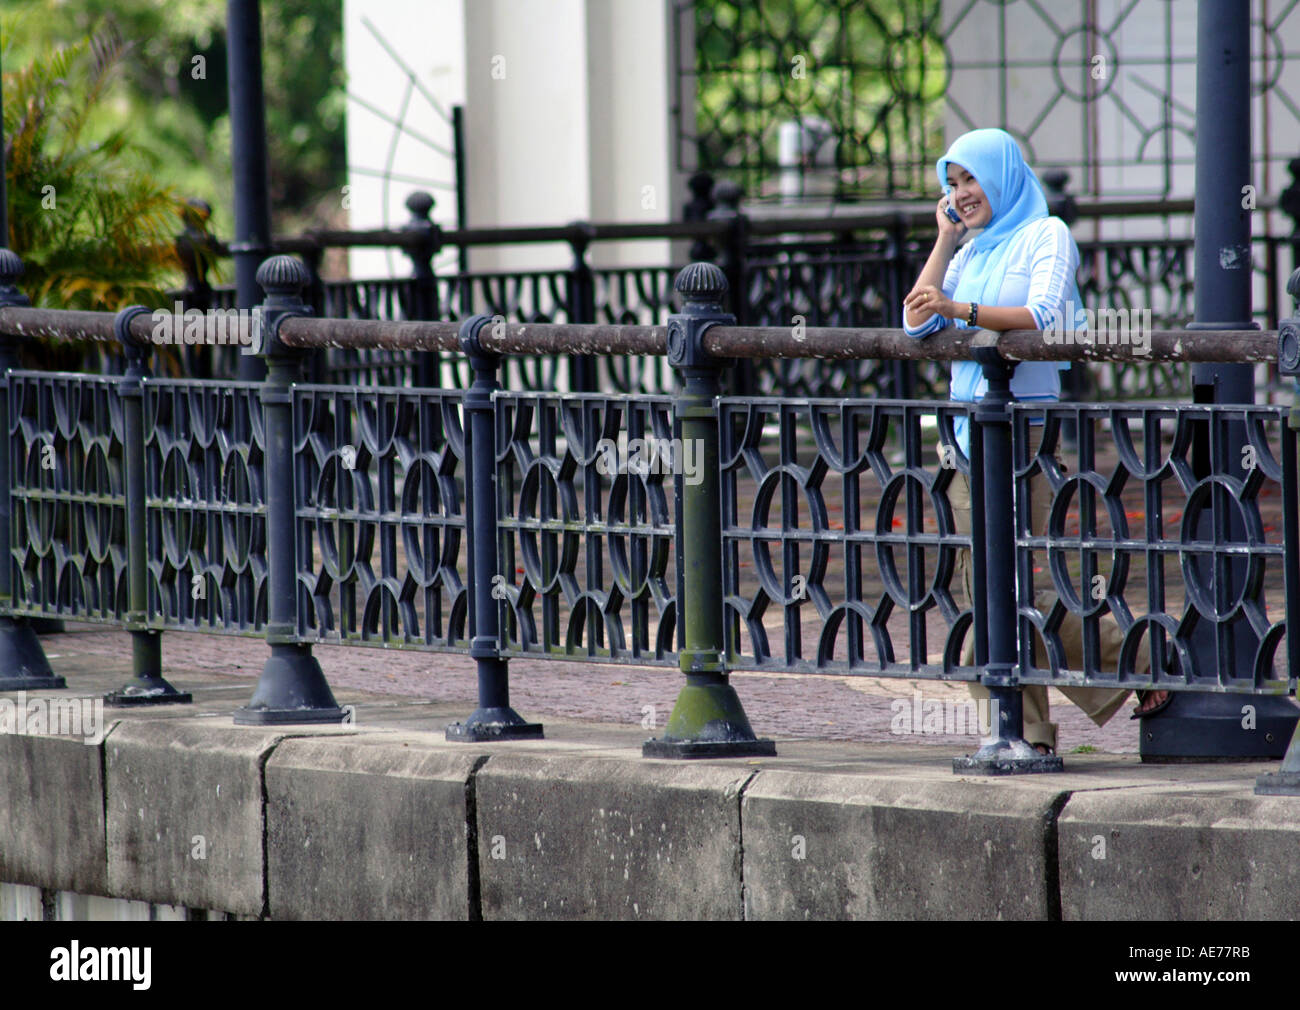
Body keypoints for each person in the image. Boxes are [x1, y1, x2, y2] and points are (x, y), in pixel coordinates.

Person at [900, 128, 1168, 755]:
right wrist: (944, 241)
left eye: (971, 180)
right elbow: (915, 324)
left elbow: (1047, 317)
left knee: (1016, 584)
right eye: (953, 184)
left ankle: (1145, 661)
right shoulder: (968, 250)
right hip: (968, 435)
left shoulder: (1045, 235)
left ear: (1003, 176)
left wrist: (963, 311)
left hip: (1024, 428)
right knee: (982, 591)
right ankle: (1027, 732)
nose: (963, 194)